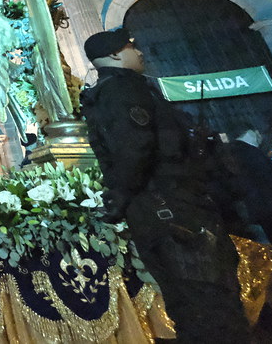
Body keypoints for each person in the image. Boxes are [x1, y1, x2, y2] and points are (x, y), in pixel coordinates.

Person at [80, 28, 249, 342]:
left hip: (164, 206)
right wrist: (121, 193)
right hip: (171, 208)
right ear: (115, 55)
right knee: (207, 301)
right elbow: (135, 147)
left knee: (199, 301)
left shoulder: (118, 89)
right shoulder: (122, 90)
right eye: (130, 47)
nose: (139, 52)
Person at [216, 125, 272, 244]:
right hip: (270, 210)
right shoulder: (247, 153)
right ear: (251, 133)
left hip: (262, 213)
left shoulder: (232, 153)